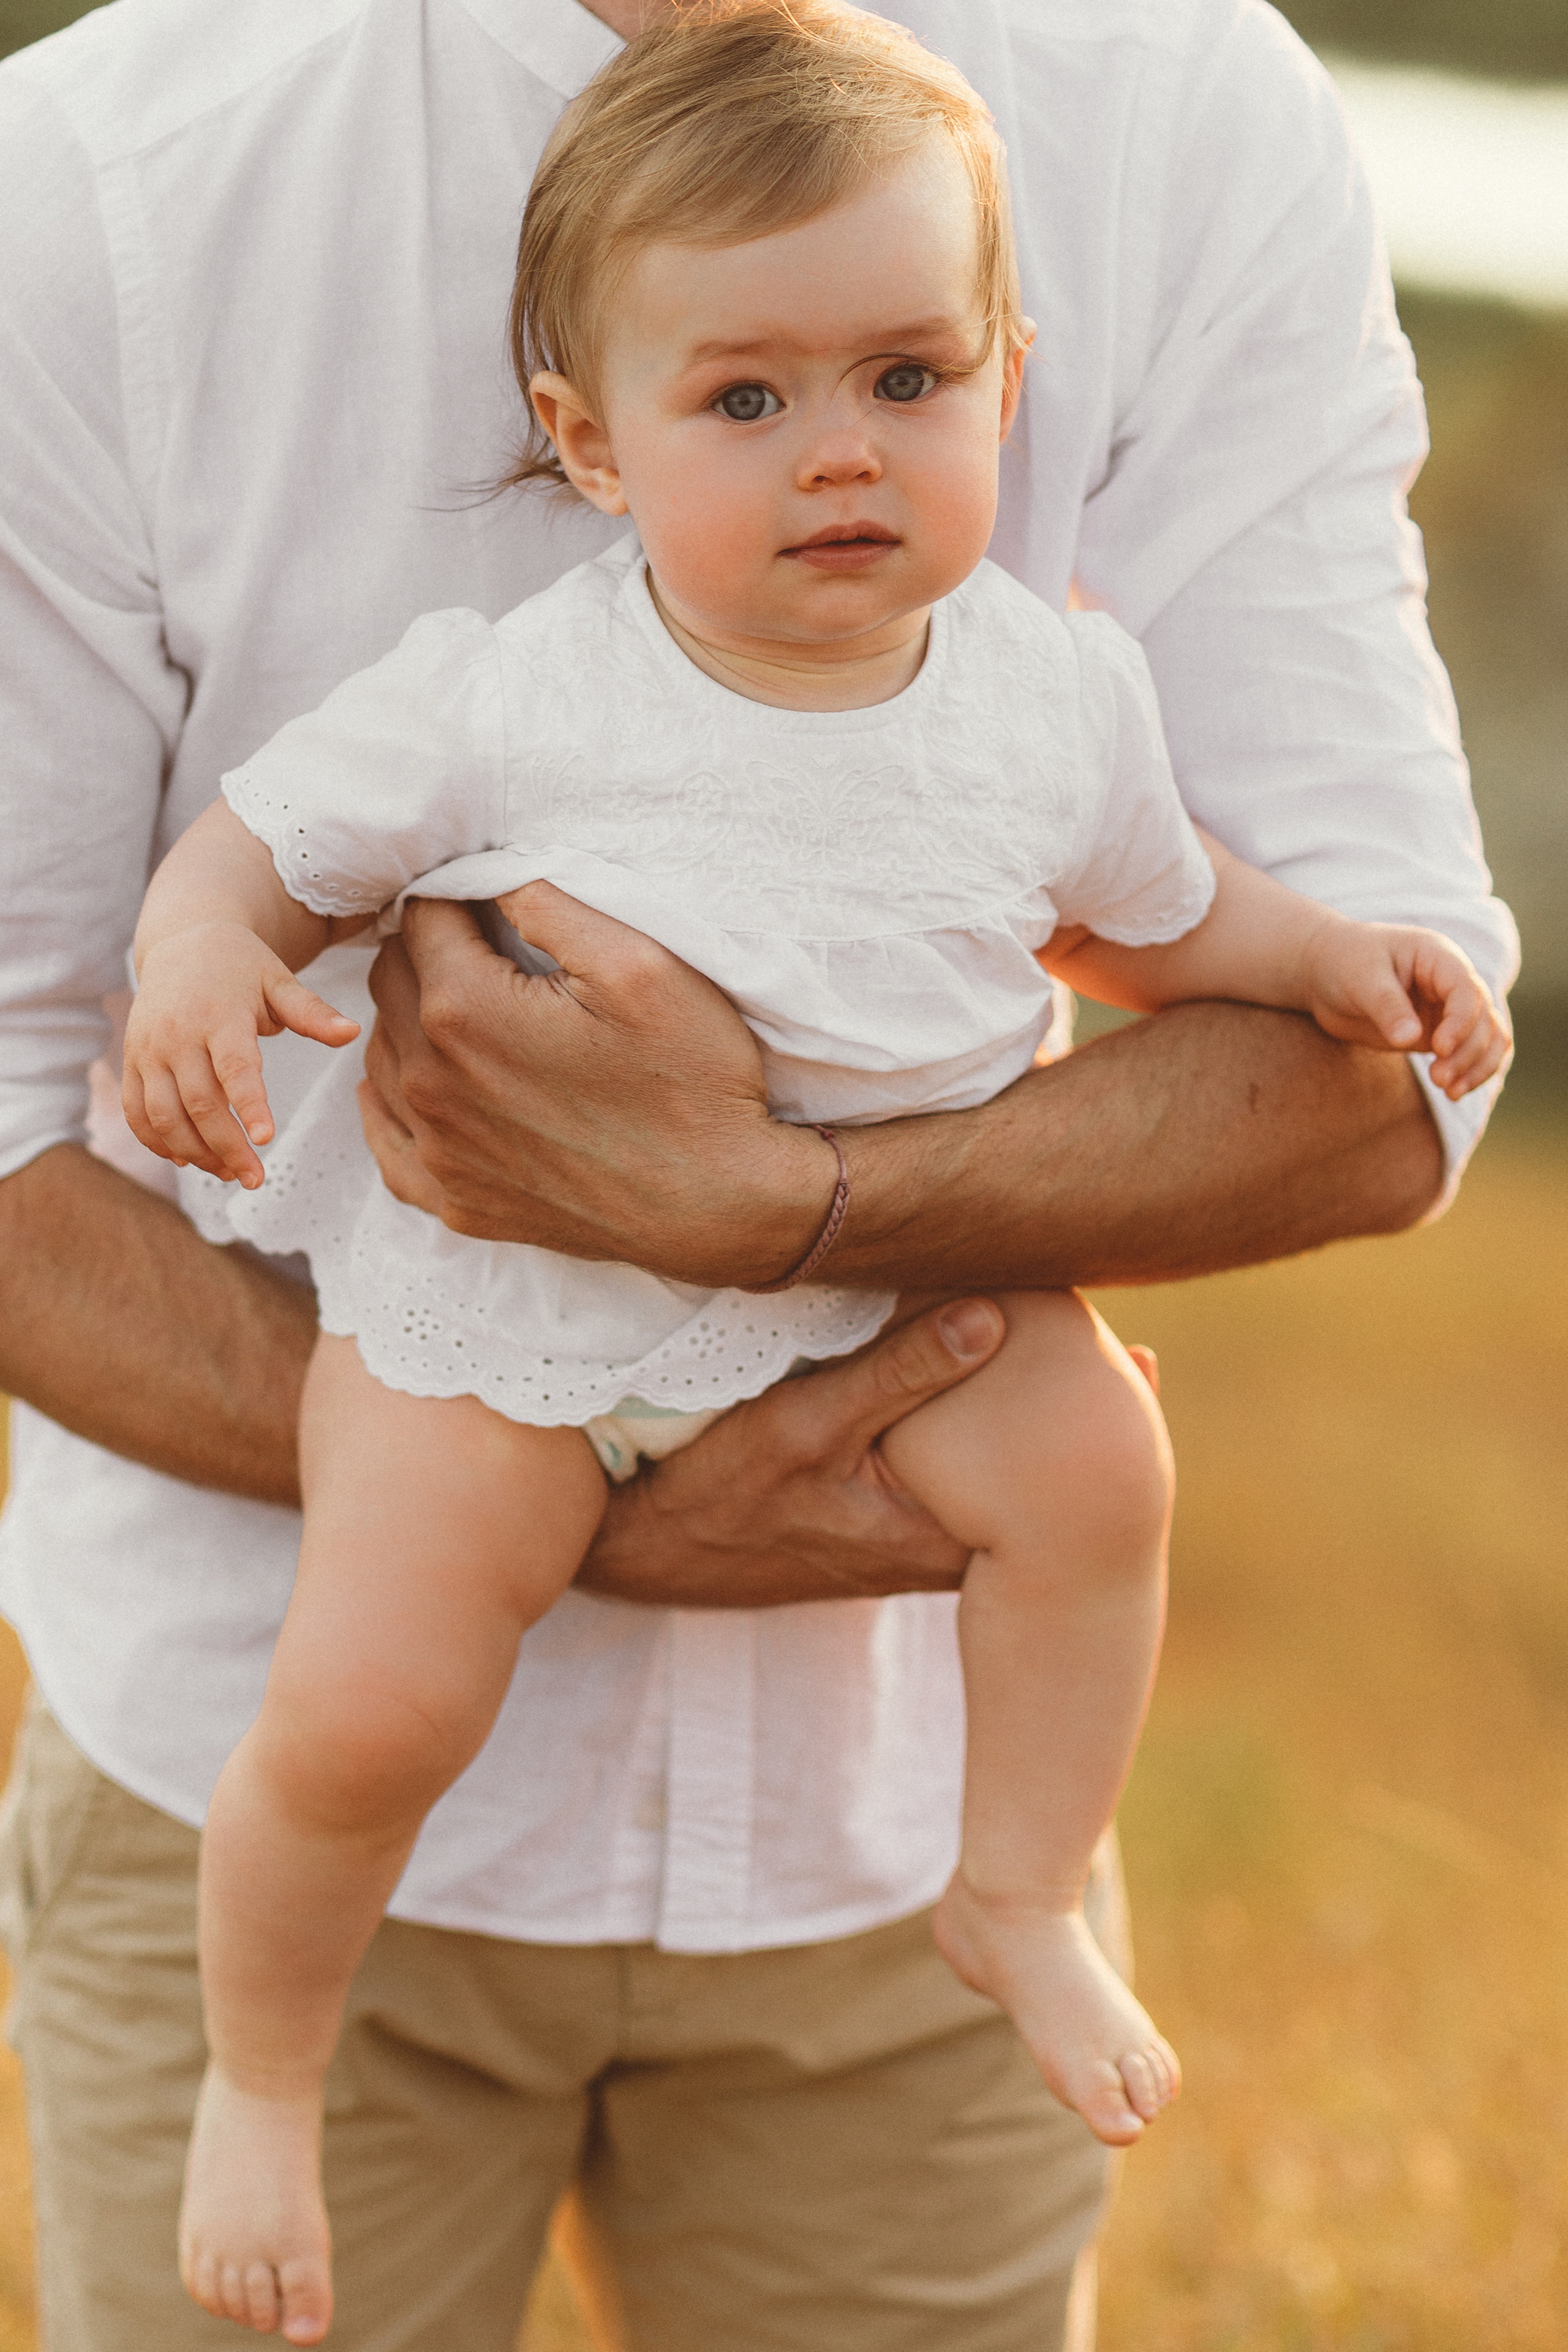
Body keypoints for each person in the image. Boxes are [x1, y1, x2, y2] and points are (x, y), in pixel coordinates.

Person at [0, 0, 1518, 2346]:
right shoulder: (473, 631)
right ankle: (265, 2081)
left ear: (1008, 379)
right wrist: (209, 963)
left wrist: (1342, 967)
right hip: (419, 1440)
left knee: (1104, 1467)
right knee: (379, 1698)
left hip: (878, 1764)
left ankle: (1021, 1894)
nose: (841, 455)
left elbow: (1185, 919)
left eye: (911, 384)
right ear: (583, 446)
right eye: (748, 402)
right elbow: (244, 870)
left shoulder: (1049, 649)